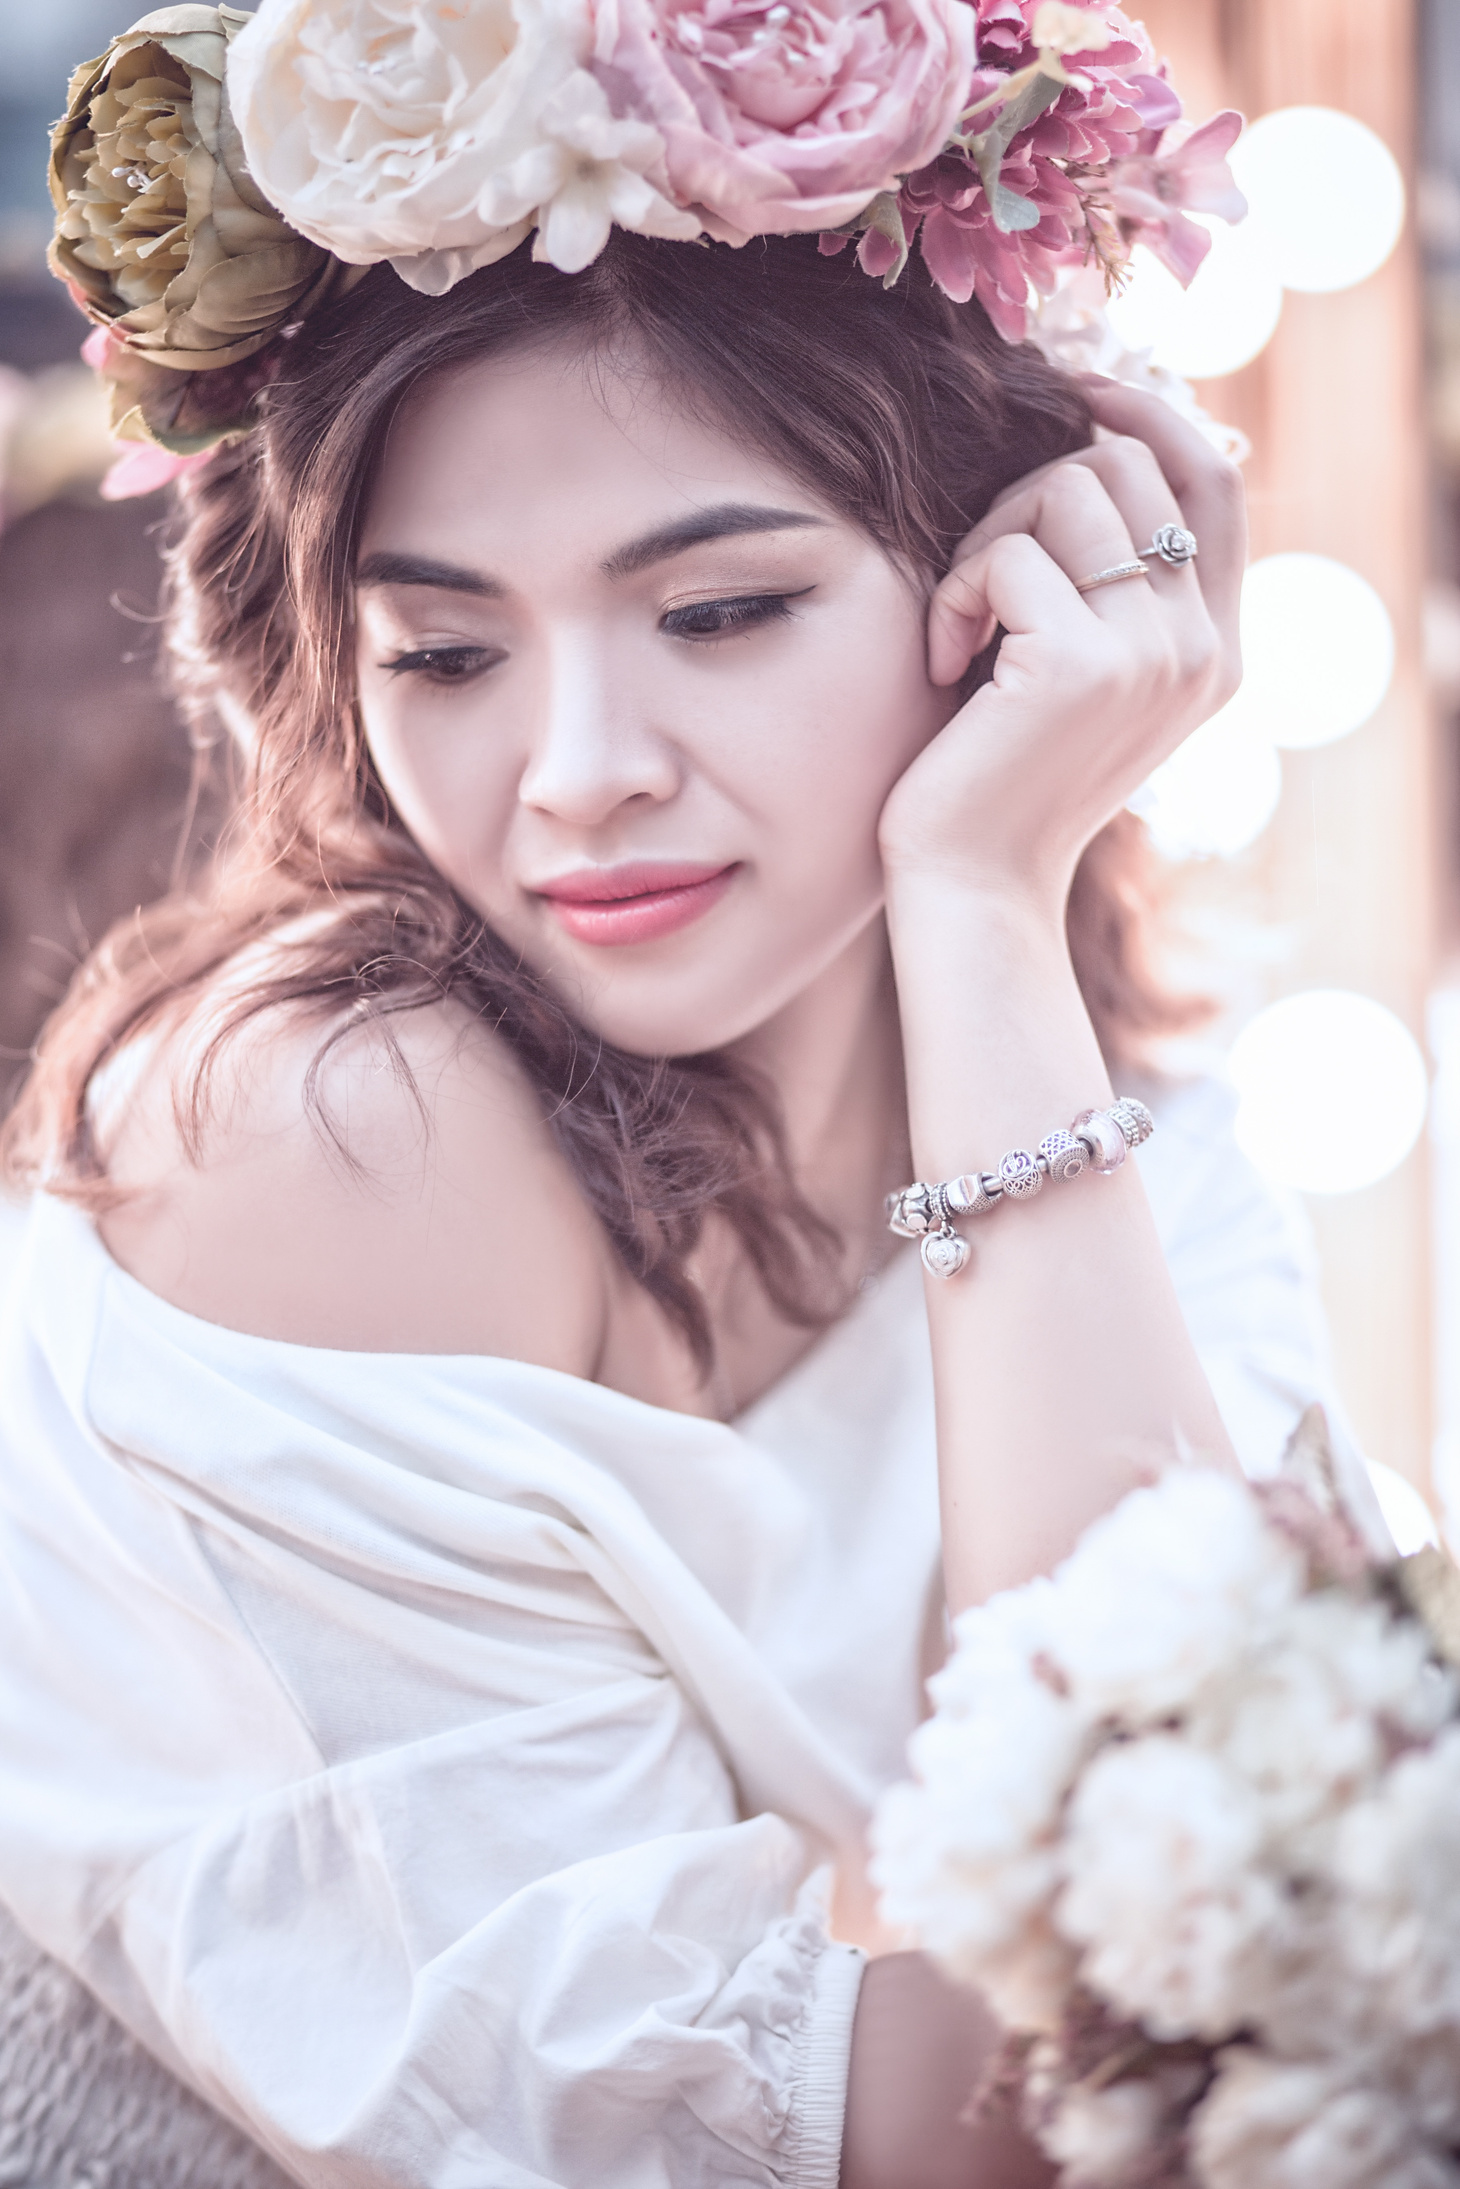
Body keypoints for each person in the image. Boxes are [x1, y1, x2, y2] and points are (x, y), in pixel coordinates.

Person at [0, 4, 1373, 2183]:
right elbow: (1012, 2124)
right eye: (444, 653)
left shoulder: (1112, 1110)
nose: (573, 775)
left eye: (719, 611)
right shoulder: (347, 1130)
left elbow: (1248, 1952)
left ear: (1023, 560)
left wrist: (986, 905)